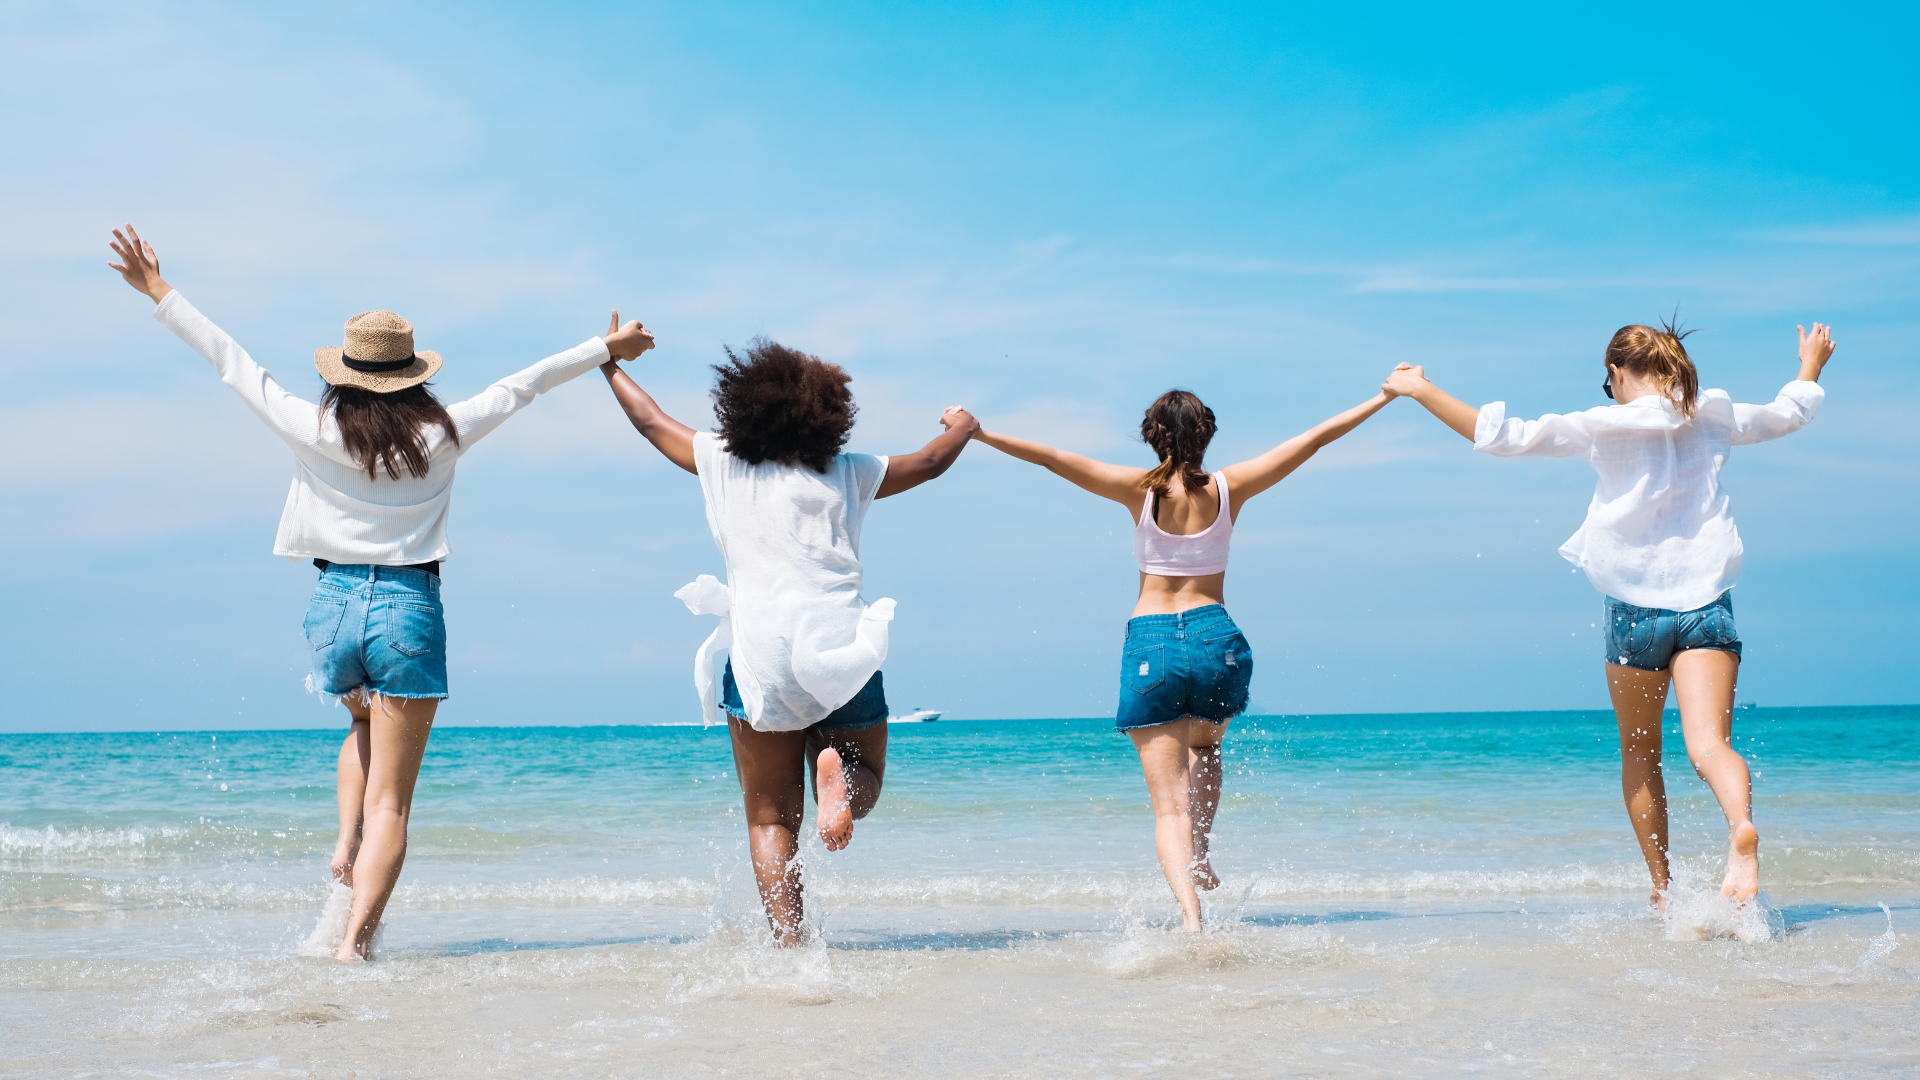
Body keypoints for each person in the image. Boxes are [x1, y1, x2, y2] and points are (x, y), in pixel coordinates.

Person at [108, 224, 657, 960]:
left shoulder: (311, 427)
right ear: (413, 376)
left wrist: (159, 291)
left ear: (340, 375)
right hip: (406, 609)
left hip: (331, 609)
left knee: (362, 726)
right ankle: (354, 946)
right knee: (393, 800)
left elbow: (232, 364)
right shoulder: (444, 433)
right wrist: (605, 350)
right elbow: (522, 385)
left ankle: (343, 843)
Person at [1384, 320, 1836, 910]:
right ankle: (1740, 830)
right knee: (1708, 746)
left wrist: (1421, 389)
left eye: (1609, 383)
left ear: (1617, 374)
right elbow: (1789, 413)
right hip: (1707, 606)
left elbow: (1503, 436)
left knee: (1642, 753)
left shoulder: (1604, 424)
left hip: (1634, 611)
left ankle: (1662, 892)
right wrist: (1809, 365)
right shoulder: (1715, 413)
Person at [971, 381, 1401, 930]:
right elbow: (1314, 439)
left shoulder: (1137, 489)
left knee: (1168, 805)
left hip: (1152, 639)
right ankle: (1201, 853)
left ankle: (1192, 918)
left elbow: (1054, 458)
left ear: (1152, 437)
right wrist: (1384, 399)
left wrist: (981, 434)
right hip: (1215, 637)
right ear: (1208, 434)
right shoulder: (1231, 487)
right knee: (1206, 748)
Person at [600, 336, 976, 946]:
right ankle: (842, 781)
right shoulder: (847, 471)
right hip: (841, 649)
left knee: (771, 817)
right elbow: (931, 461)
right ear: (829, 415)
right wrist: (962, 427)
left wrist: (607, 364)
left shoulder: (721, 460)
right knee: (867, 773)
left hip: (761, 657)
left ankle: (790, 943)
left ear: (743, 405)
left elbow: (648, 420)